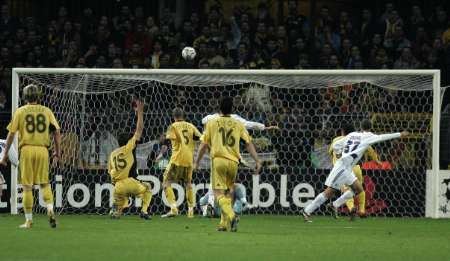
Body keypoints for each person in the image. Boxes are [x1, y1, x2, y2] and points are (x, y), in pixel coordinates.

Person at [302, 119, 408, 222]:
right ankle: (307, 211)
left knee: (359, 189)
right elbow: (382, 137)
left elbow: (336, 145)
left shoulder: (351, 135)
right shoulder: (368, 137)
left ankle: (335, 204)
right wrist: (400, 134)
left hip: (348, 168)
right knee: (329, 192)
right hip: (342, 167)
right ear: (370, 128)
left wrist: (338, 153)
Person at [194, 97, 262, 232]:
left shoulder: (212, 123)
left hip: (219, 160)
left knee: (218, 193)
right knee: (227, 193)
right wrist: (257, 160)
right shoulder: (238, 124)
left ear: (219, 108)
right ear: (233, 109)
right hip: (233, 162)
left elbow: (203, 145)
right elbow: (248, 143)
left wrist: (196, 162)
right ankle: (223, 224)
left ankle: (232, 216)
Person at [0, 84, 61, 229]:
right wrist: (58, 152)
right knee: (45, 183)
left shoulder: (20, 111)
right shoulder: (47, 111)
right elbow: (57, 132)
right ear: (39, 96)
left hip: (27, 149)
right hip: (43, 150)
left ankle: (28, 220)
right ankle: (50, 210)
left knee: (27, 187)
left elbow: (11, 134)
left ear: (24, 96)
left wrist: (5, 154)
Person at [109, 99, 152, 220]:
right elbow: (139, 129)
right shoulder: (129, 148)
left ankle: (116, 210)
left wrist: (115, 183)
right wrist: (140, 112)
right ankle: (144, 211)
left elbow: (111, 172)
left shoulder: (112, 154)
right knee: (148, 187)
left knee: (122, 201)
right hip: (130, 182)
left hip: (117, 186)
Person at [328, 123, 382, 219]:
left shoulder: (336, 140)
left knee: (347, 190)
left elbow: (330, 152)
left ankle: (351, 207)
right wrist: (377, 161)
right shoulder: (359, 139)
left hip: (343, 169)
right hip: (356, 167)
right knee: (359, 189)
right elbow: (369, 149)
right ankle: (361, 210)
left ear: (342, 131)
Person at [158, 107, 202, 218]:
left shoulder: (172, 126)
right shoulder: (191, 126)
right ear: (183, 115)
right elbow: (200, 138)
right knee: (188, 184)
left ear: (173, 117)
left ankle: (173, 208)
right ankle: (191, 211)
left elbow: (166, 141)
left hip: (176, 159)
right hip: (189, 160)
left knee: (166, 182)